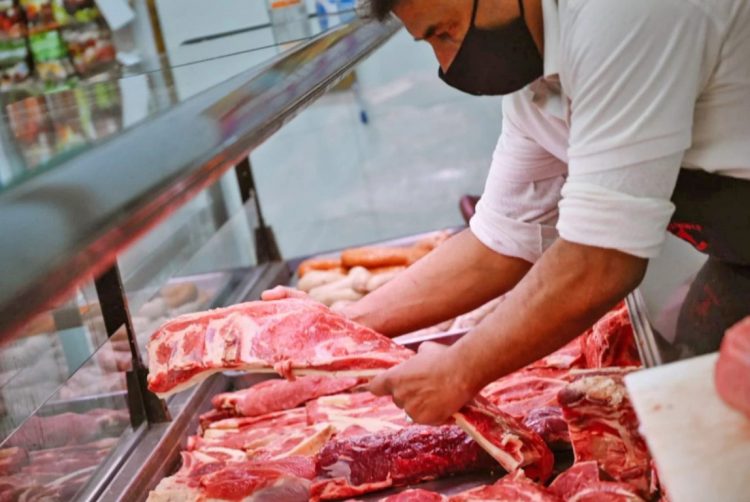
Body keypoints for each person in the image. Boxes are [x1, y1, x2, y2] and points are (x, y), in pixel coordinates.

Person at [266, 0, 750, 425]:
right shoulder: (538, 82)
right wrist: (341, 326)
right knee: (703, 404)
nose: (448, 64)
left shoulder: (624, 13)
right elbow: (500, 241)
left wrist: (460, 369)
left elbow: (603, 260)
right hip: (739, 251)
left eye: (444, 31)